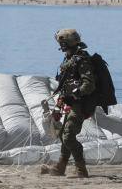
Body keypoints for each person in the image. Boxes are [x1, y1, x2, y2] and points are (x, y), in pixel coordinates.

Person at [40, 28, 96, 179]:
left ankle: (81, 169)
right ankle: (61, 166)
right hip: (69, 103)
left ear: (67, 43)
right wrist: (58, 106)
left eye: (62, 42)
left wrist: (77, 93)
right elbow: (65, 87)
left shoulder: (82, 60)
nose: (61, 45)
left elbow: (89, 84)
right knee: (63, 134)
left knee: (69, 136)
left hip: (80, 104)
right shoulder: (68, 59)